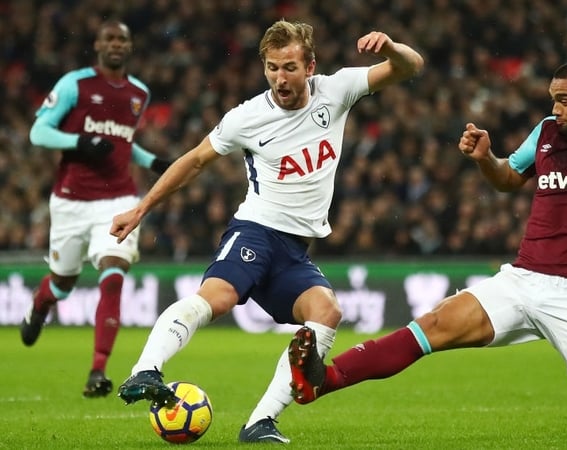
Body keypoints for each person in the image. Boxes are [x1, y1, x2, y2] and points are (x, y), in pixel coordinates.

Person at [288, 30, 567, 442]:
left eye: (565, 101)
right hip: (523, 279)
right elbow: (508, 178)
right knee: (433, 325)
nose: (556, 109)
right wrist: (484, 158)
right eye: (553, 99)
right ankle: (324, 379)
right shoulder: (547, 134)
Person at [109, 20, 423, 443]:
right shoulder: (247, 117)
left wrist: (391, 48)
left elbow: (410, 67)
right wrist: (142, 208)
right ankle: (145, 370)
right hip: (256, 231)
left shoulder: (338, 89)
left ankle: (260, 422)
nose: (280, 77)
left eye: (290, 67)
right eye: (272, 67)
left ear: (310, 66)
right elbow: (195, 159)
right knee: (217, 297)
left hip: (294, 250)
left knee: (326, 312)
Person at [20, 20, 171, 398]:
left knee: (114, 270)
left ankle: (98, 371)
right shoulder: (75, 84)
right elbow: (39, 132)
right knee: (62, 282)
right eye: (110, 39)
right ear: (97, 44)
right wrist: (81, 142)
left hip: (119, 199)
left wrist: (153, 162)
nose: (116, 44)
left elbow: (123, 142)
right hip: (72, 200)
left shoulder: (139, 92)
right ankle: (40, 306)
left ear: (130, 46)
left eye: (123, 38)